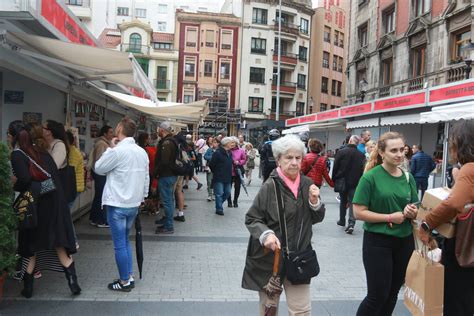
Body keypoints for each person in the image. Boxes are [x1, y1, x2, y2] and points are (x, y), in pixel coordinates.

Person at [242, 134, 325, 315]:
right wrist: (266, 234)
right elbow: (252, 218)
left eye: (298, 158)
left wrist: (314, 202)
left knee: (301, 311)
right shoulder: (269, 186)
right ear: (279, 159)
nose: (294, 162)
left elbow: (317, 218)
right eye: (289, 158)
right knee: (269, 311)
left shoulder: (307, 184)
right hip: (271, 260)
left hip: (299, 258)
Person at [9, 121, 81, 298]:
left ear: (13, 136)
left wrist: (13, 183)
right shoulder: (41, 151)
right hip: (54, 203)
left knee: (31, 246)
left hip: (36, 205)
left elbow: (25, 180)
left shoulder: (18, 154)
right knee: (59, 244)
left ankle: (28, 288)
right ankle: (73, 284)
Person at [352, 132, 419, 316]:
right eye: (393, 150)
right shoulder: (370, 177)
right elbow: (358, 212)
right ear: (381, 152)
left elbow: (416, 205)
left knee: (392, 294)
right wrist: (389, 217)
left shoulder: (407, 177)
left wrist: (412, 211)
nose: (399, 154)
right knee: (377, 296)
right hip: (378, 242)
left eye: (402, 150)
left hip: (404, 242)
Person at [418, 121, 474, 316]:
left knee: (456, 301)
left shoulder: (469, 169)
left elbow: (453, 203)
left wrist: (427, 223)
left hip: (463, 250)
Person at [95, 117, 149, 292]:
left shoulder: (117, 151)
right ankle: (128, 274)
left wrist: (111, 148)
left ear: (119, 130)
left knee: (120, 243)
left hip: (117, 203)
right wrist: (142, 197)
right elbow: (146, 178)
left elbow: (99, 167)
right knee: (125, 241)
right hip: (133, 203)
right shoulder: (141, 152)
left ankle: (125, 280)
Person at [332, 135, 366, 234]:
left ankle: (342, 220)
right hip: (355, 182)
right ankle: (351, 223)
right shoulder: (361, 155)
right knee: (352, 202)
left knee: (343, 200)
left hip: (342, 180)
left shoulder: (341, 152)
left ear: (350, 140)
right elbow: (361, 170)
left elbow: (335, 167)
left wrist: (334, 179)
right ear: (358, 143)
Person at [154, 121, 178, 234]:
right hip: (170, 175)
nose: (157, 131)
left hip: (166, 175)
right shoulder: (171, 141)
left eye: (158, 129)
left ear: (162, 130)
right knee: (169, 200)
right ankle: (167, 221)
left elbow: (164, 161)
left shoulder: (167, 143)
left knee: (167, 201)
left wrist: (155, 173)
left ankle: (169, 226)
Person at [88, 126, 113, 227]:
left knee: (98, 196)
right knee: (102, 197)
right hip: (100, 174)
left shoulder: (102, 143)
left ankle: (94, 218)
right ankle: (101, 220)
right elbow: (100, 159)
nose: (112, 134)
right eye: (110, 132)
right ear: (105, 133)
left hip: (99, 173)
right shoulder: (102, 144)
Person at [209, 137, 234, 216]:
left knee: (227, 192)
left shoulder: (230, 153)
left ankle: (218, 204)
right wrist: (217, 171)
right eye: (231, 143)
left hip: (228, 177)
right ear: (226, 144)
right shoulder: (218, 153)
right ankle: (219, 209)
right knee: (219, 193)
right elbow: (211, 164)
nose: (232, 144)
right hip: (219, 176)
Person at [65, 131, 85, 207]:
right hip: (74, 186)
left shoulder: (73, 153)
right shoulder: (71, 151)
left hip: (74, 186)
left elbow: (70, 171)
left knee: (65, 211)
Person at [227, 136, 247, 208]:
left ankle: (235, 201)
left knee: (237, 187)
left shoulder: (241, 150)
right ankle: (229, 201)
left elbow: (244, 159)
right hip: (229, 171)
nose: (232, 144)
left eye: (233, 142)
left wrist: (239, 162)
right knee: (228, 187)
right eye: (231, 142)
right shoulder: (227, 150)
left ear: (236, 143)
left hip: (238, 171)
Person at [204, 137, 218, 201]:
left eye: (216, 142)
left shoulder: (219, 150)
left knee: (216, 182)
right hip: (209, 167)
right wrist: (212, 158)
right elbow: (205, 156)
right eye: (214, 142)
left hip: (217, 168)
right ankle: (210, 195)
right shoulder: (209, 149)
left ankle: (215, 194)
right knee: (209, 181)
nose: (215, 144)